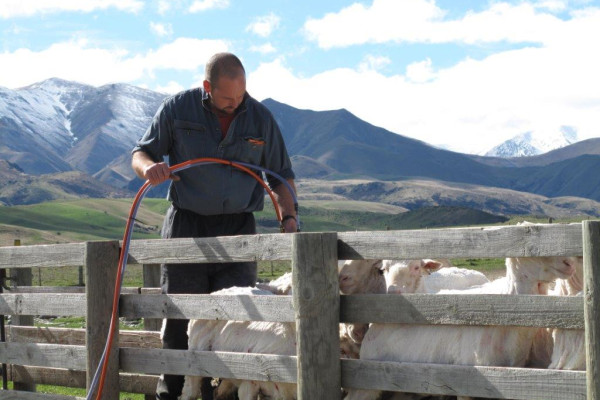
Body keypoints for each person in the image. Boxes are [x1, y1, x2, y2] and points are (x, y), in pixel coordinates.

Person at [131, 52, 297, 400]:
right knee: (181, 314)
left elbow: (281, 177)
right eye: (227, 98)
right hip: (187, 228)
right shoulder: (177, 109)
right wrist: (149, 169)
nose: (236, 105)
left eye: (241, 97)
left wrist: (289, 218)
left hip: (239, 231)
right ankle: (173, 392)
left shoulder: (260, 118)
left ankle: (224, 395)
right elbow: (141, 153)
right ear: (207, 87)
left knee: (237, 317)